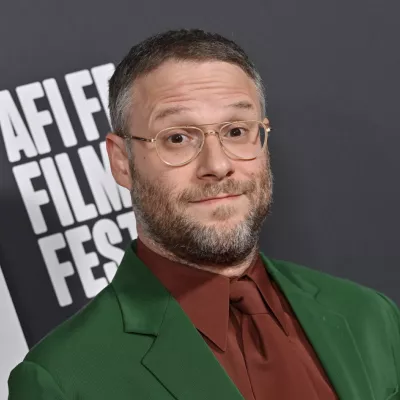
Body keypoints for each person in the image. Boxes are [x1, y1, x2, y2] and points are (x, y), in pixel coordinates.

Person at [8, 29, 400, 400]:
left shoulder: (369, 316)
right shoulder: (64, 380)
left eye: (236, 131)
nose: (217, 165)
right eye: (177, 138)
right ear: (122, 162)